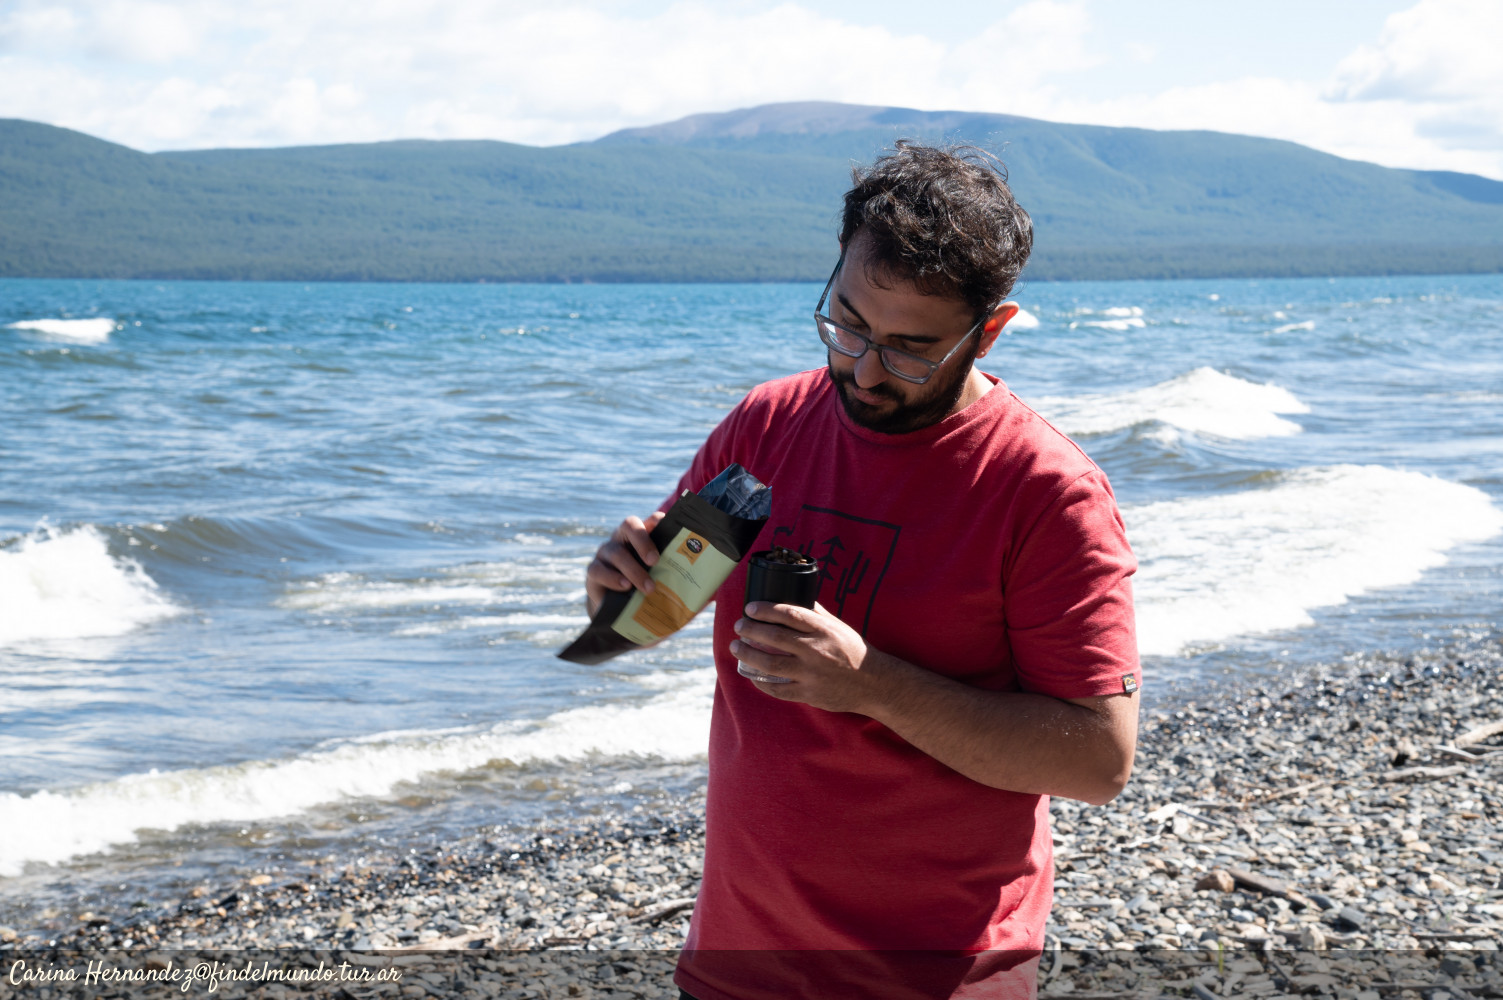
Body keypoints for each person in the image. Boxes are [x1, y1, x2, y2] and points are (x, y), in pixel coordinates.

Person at [584, 142, 1140, 1000]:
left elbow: (1097, 762)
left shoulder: (1045, 492)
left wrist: (872, 685)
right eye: (846, 325)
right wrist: (617, 587)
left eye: (911, 349)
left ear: (989, 330)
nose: (865, 369)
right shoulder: (766, 426)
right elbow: (654, 612)